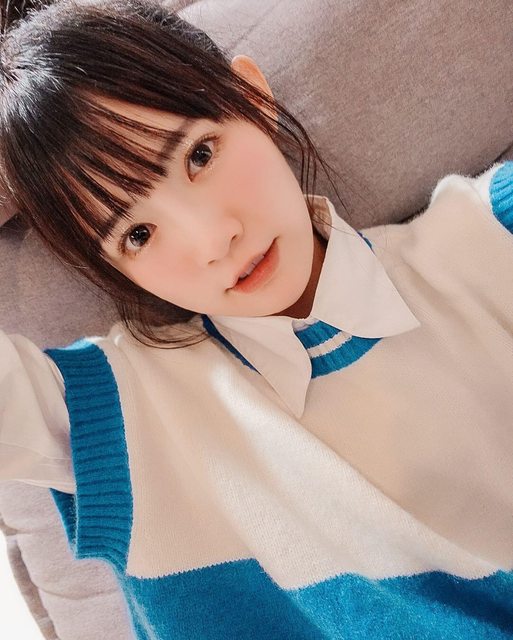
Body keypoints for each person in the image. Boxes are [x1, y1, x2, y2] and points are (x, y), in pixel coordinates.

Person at [0, 0, 512, 638]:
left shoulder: (487, 239)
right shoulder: (113, 414)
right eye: (137, 235)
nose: (213, 240)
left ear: (251, 97)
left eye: (199, 156)